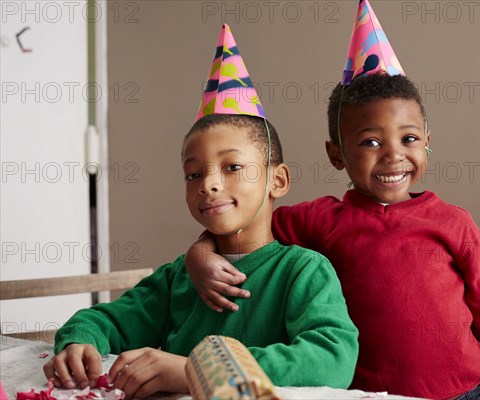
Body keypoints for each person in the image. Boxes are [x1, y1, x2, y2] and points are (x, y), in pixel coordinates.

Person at [184, 2, 480, 399]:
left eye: (409, 139)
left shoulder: (455, 223)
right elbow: (246, 225)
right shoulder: (320, 220)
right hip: (364, 394)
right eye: (371, 142)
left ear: (428, 141)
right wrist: (200, 253)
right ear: (336, 154)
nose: (394, 155)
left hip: (464, 392)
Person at [43, 24, 358, 399]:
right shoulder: (178, 277)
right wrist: (78, 343)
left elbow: (331, 360)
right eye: (194, 173)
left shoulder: (302, 271)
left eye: (232, 167)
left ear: (278, 180)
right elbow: (105, 319)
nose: (207, 184)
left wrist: (195, 370)